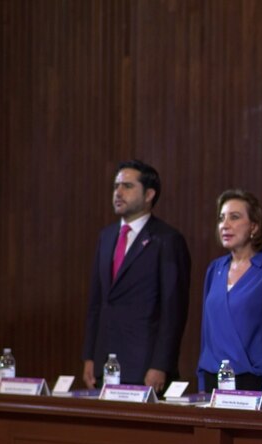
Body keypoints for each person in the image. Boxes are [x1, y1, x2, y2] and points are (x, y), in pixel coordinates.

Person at [82, 160, 191, 392]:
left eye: (127, 186)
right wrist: (90, 356)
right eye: (116, 186)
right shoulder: (106, 236)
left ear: (149, 194)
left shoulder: (167, 240)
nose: (118, 192)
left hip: (144, 367)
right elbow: (97, 304)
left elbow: (174, 311)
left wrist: (161, 364)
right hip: (105, 366)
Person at [197, 190, 262, 395]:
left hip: (251, 383)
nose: (225, 225)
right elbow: (207, 332)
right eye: (221, 218)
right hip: (213, 379)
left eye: (235, 217)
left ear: (254, 227)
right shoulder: (215, 269)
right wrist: (202, 381)